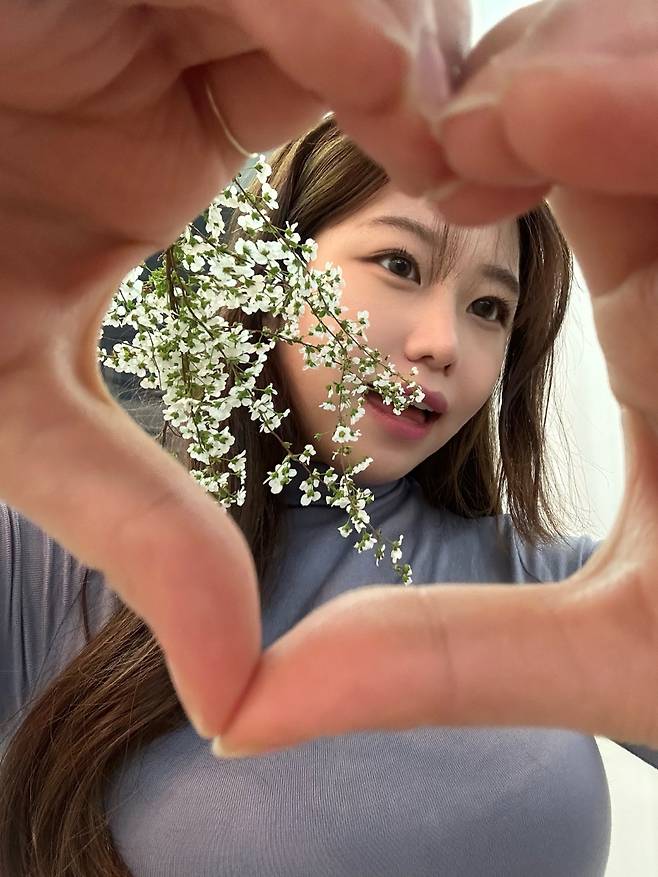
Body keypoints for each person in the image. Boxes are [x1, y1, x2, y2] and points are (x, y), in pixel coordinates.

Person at [0, 0, 656, 872]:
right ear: (273, 270)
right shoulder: (50, 563)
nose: (444, 342)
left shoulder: (554, 586)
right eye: (399, 264)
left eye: (489, 308)